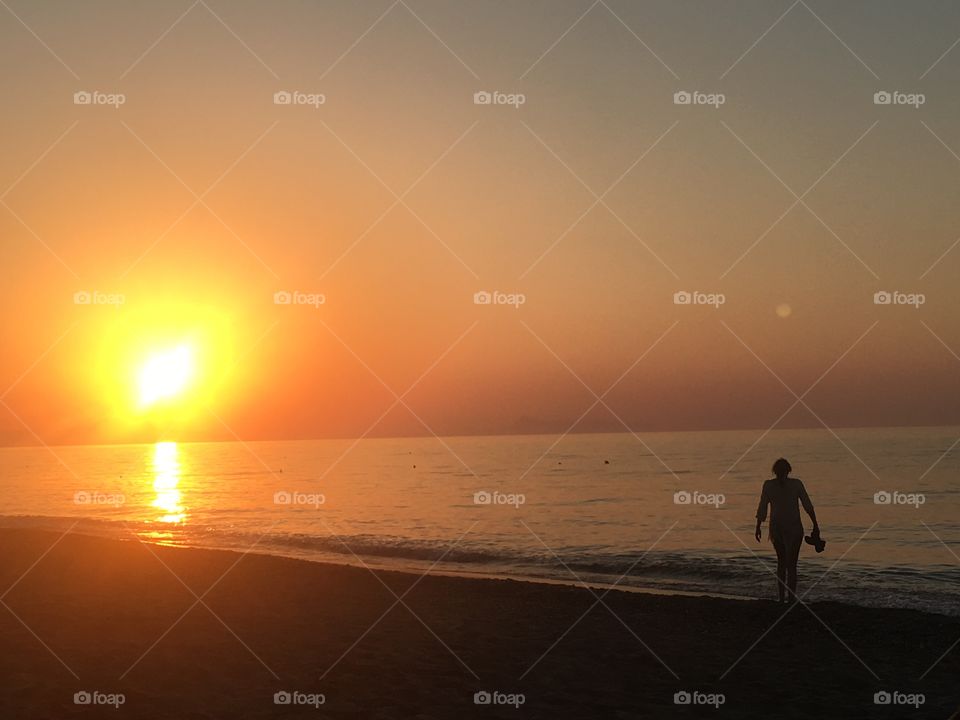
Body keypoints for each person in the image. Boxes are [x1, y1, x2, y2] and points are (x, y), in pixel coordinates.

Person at [754, 458, 819, 603]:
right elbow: (808, 505)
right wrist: (816, 524)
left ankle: (781, 597)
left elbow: (762, 507)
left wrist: (758, 526)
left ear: (774, 471)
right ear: (789, 470)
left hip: (777, 528)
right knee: (792, 564)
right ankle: (791, 598)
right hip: (794, 528)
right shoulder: (796, 484)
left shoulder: (768, 485)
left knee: (781, 562)